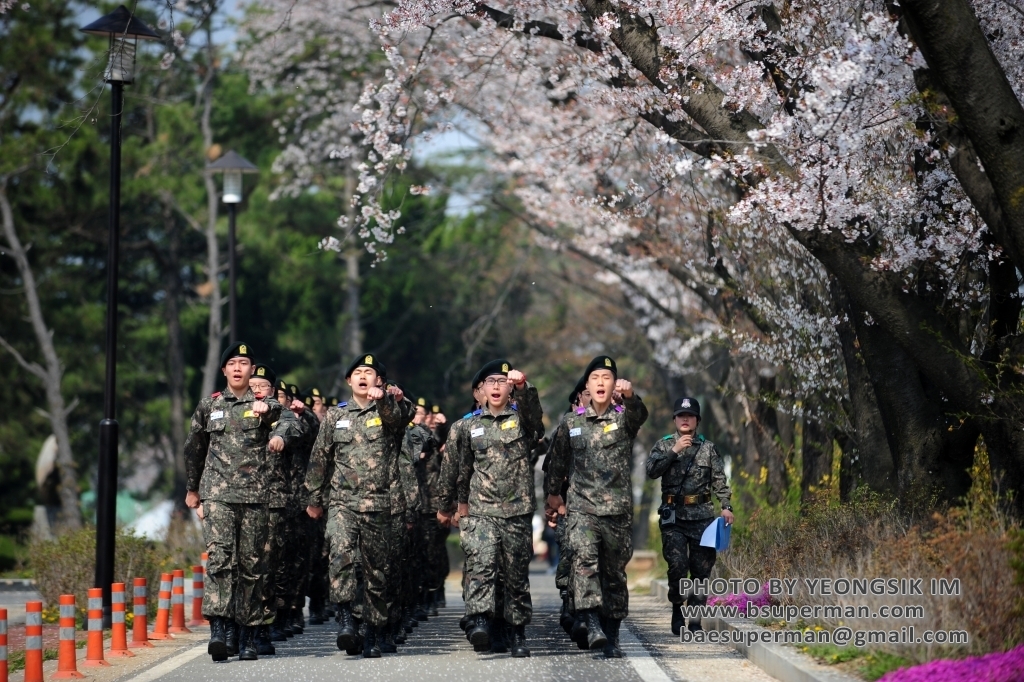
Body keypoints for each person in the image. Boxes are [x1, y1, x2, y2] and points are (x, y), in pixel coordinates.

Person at [183, 343, 292, 662]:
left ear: (251, 369)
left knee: (251, 566)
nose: (238, 368)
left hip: (254, 498)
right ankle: (220, 629)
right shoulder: (209, 406)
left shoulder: (266, 404)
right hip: (217, 496)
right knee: (219, 560)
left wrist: (275, 428)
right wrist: (193, 489)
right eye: (232, 363)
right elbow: (195, 448)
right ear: (224, 371)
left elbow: (285, 421)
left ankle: (247, 635)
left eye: (244, 363)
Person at [304, 353, 411, 658]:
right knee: (340, 557)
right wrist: (313, 497)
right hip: (342, 503)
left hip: (379, 504)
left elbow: (400, 420)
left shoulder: (392, 408)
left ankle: (374, 630)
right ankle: (347, 620)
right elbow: (320, 457)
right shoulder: (336, 417)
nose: (364, 376)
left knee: (378, 572)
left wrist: (386, 401)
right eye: (358, 372)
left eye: (370, 372)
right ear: (349, 380)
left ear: (380, 380)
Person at [545, 355, 648, 658]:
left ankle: (612, 634)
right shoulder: (572, 422)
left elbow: (639, 415)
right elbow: (558, 462)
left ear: (614, 384)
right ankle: (591, 623)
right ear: (587, 385)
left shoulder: (623, 418)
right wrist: (553, 496)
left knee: (614, 573)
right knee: (585, 563)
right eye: (595, 378)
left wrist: (630, 397)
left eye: (607, 377)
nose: (601, 383)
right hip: (582, 509)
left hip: (617, 511)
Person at [439, 359, 543, 658]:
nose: (496, 387)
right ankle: (481, 620)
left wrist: (524, 388)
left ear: (510, 389)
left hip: (517, 511)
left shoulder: (522, 421)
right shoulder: (465, 427)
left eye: (502, 382)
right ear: (480, 391)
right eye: (490, 382)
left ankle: (517, 632)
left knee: (515, 577)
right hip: (481, 512)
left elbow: (536, 421)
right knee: (482, 569)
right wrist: (447, 507)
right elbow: (454, 469)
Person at [646, 396, 734, 634]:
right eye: (681, 416)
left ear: (696, 420)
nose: (685, 419)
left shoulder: (708, 448)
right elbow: (651, 471)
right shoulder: (663, 445)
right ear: (675, 419)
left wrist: (726, 505)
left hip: (703, 518)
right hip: (673, 517)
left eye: (690, 416)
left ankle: (695, 617)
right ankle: (677, 609)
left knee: (701, 570)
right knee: (677, 566)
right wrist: (674, 451)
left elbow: (719, 480)